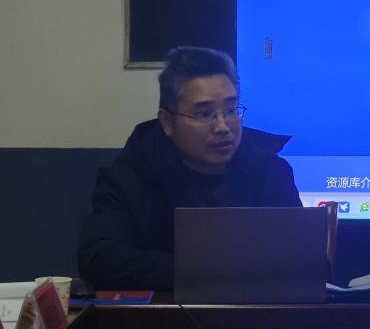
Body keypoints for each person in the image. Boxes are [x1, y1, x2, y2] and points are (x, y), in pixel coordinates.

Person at [78, 46, 302, 291]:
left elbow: (300, 255)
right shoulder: (132, 174)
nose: (222, 127)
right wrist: (211, 269)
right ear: (167, 122)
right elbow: (99, 258)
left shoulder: (270, 172)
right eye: (204, 113)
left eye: (230, 110)